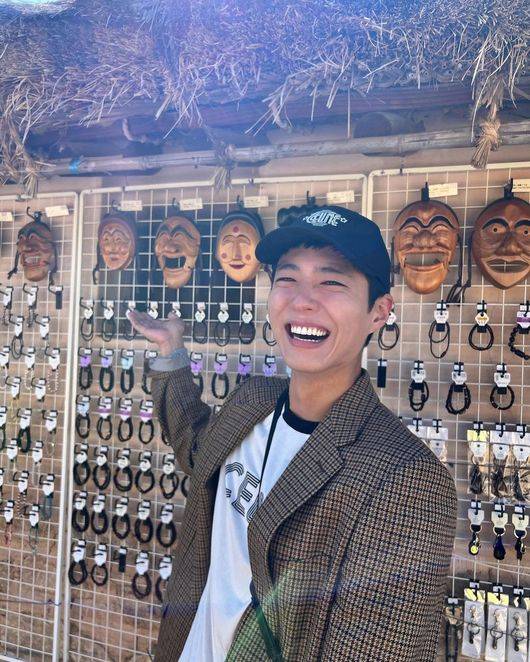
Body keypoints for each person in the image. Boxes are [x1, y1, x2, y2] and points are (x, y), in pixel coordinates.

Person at [128, 204, 457, 662]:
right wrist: (171, 352)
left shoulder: (405, 479)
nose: (302, 301)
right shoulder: (253, 400)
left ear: (378, 312)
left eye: (331, 282)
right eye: (287, 278)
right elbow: (199, 452)